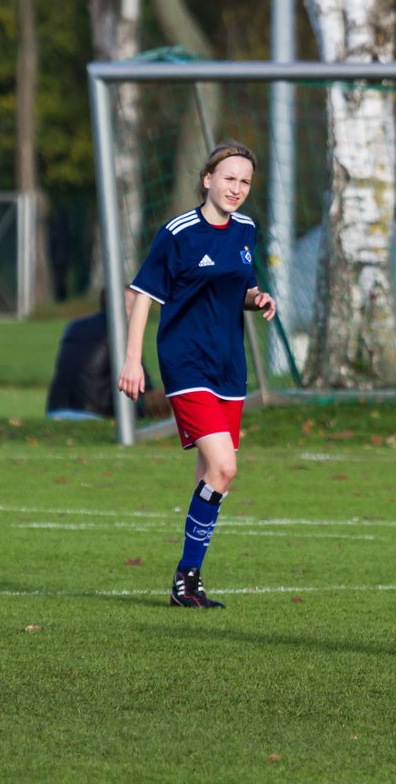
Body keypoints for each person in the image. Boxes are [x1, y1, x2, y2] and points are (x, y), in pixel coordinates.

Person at [118, 140, 277, 609]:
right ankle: (186, 576)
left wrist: (259, 299)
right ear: (207, 179)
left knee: (209, 472)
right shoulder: (178, 232)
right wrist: (132, 360)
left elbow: (242, 287)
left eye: (245, 181)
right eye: (229, 178)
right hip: (186, 362)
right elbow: (141, 294)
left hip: (230, 364)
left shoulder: (246, 229)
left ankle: (188, 584)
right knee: (225, 468)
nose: (237, 188)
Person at [46, 290, 168, 421]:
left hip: (55, 409)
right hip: (95, 412)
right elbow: (141, 382)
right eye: (132, 306)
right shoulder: (121, 331)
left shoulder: (74, 326)